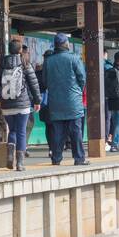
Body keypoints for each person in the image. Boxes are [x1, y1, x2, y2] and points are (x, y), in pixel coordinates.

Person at [0, 37, 42, 170]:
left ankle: (10, 156)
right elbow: (34, 84)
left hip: (6, 105)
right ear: (20, 50)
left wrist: (1, 100)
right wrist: (37, 101)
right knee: (21, 131)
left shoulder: (2, 64)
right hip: (22, 104)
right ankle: (20, 163)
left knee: (12, 130)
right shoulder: (25, 63)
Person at [42, 33, 86, 165]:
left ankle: (56, 159)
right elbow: (82, 79)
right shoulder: (74, 58)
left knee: (57, 132)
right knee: (76, 131)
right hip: (73, 102)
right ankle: (79, 158)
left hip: (55, 102)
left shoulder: (48, 61)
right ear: (66, 44)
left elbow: (45, 81)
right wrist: (77, 92)